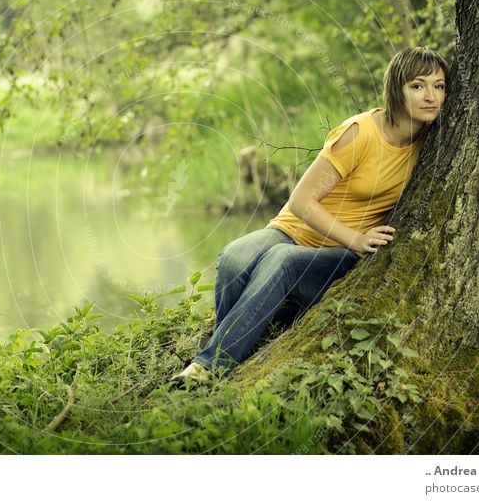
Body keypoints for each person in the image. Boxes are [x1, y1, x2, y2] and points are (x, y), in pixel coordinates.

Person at [172, 46, 448, 384]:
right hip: (297, 230)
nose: (431, 96)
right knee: (233, 257)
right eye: (418, 86)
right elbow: (302, 201)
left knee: (282, 261)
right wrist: (356, 237)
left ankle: (208, 367)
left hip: (342, 253)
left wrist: (357, 242)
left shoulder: (435, 140)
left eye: (439, 86)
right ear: (396, 89)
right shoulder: (360, 133)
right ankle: (246, 337)